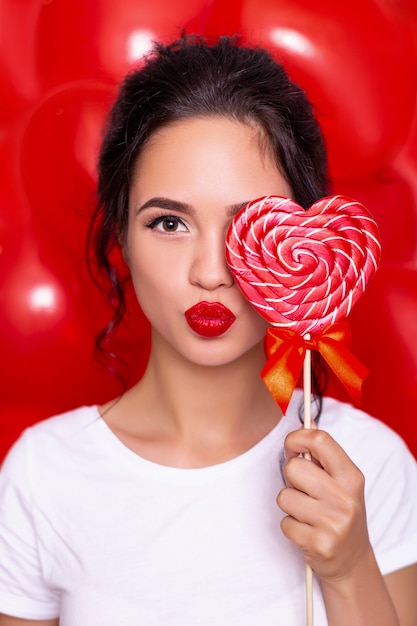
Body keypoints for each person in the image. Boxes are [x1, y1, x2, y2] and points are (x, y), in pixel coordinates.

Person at [0, 34, 416, 626]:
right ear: (121, 235)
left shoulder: (372, 463)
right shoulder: (43, 474)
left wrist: (348, 568)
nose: (211, 271)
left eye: (250, 222)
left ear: (304, 241)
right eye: (169, 222)